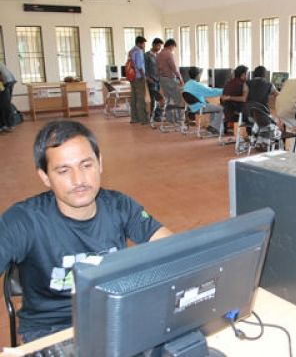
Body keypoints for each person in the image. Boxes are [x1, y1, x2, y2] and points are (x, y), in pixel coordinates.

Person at [0, 120, 172, 342]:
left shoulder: (120, 206)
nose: (78, 180)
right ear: (44, 177)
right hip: (51, 332)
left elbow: (170, 248)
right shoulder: (23, 220)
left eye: (86, 165)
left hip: (113, 318)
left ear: (99, 163)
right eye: (63, 170)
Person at [183, 67, 225, 134]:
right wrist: (224, 90)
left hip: (191, 108)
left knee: (213, 107)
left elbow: (195, 95)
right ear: (198, 75)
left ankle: (213, 127)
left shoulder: (186, 84)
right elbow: (211, 92)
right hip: (199, 107)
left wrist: (204, 101)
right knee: (221, 109)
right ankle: (214, 127)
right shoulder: (197, 85)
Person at [157, 39, 184, 125]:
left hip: (162, 79)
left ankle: (170, 119)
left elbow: (157, 68)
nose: (173, 49)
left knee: (168, 99)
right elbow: (174, 68)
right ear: (171, 46)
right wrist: (180, 78)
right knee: (178, 99)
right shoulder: (169, 54)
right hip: (170, 79)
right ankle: (180, 119)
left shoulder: (159, 54)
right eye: (173, 47)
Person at [128, 36, 149, 124]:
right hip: (139, 77)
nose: (144, 46)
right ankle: (143, 119)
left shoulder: (131, 51)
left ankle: (134, 118)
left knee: (134, 98)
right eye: (143, 44)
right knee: (141, 99)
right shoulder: (139, 51)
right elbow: (140, 66)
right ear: (140, 43)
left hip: (132, 77)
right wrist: (144, 76)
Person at [222, 65, 249, 132]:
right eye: (247, 74)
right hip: (237, 115)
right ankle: (250, 135)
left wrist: (229, 98)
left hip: (227, 113)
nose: (248, 76)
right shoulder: (243, 84)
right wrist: (230, 98)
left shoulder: (227, 83)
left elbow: (223, 98)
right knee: (255, 112)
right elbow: (244, 99)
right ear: (243, 74)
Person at [144, 38, 164, 121]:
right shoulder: (146, 55)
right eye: (158, 46)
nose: (159, 48)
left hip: (158, 80)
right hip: (151, 80)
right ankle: (151, 115)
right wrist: (148, 78)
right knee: (153, 99)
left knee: (159, 98)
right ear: (154, 45)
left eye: (160, 46)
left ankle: (158, 115)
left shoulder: (158, 55)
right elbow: (144, 68)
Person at [0, 61, 16, 132]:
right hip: (9, 81)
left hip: (6, 82)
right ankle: (5, 125)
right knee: (5, 104)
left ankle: (8, 125)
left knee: (4, 105)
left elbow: (1, 75)